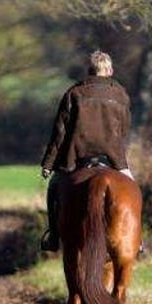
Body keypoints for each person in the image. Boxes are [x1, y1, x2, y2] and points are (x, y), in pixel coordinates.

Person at [38, 49, 133, 252]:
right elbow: (124, 132)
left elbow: (59, 134)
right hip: (113, 160)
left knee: (54, 188)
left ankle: (53, 236)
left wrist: (49, 163)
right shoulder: (121, 95)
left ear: (90, 71)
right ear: (110, 70)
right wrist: (120, 157)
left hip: (77, 160)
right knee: (133, 191)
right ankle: (136, 238)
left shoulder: (74, 93)